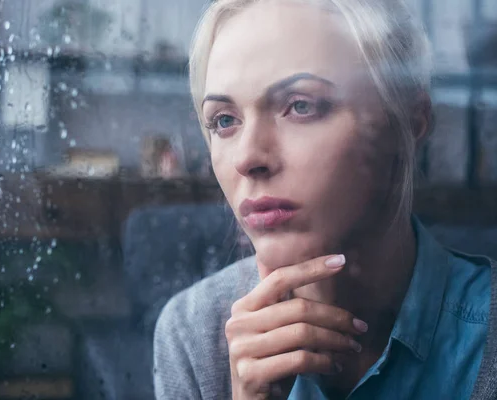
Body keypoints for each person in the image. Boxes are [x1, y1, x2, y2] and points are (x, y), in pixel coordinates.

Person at [153, 0, 496, 399]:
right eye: (224, 120)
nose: (247, 158)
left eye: (301, 106)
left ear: (409, 121)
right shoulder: (194, 332)